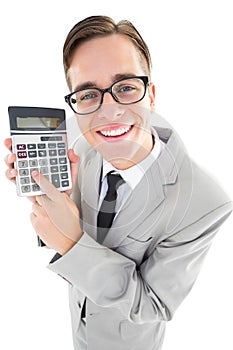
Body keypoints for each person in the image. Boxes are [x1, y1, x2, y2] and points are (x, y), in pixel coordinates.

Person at [4, 15, 232, 350]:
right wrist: (47, 200)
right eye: (88, 94)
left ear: (150, 95)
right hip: (76, 329)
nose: (108, 110)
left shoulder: (206, 203)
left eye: (125, 87)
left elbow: (154, 304)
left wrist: (71, 243)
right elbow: (64, 229)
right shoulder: (78, 145)